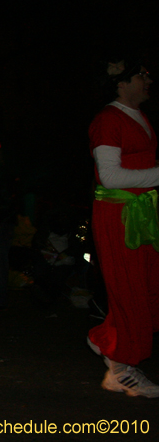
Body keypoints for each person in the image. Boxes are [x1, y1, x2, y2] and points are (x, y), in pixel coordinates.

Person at [87, 57, 159, 398]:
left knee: (145, 286)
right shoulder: (107, 120)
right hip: (119, 216)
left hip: (140, 214)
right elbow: (110, 176)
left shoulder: (139, 117)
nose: (148, 80)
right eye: (141, 75)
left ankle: (110, 344)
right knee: (128, 289)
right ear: (120, 82)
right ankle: (120, 368)